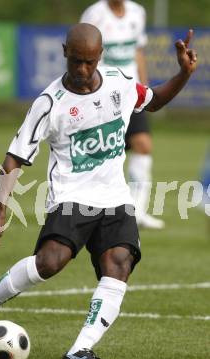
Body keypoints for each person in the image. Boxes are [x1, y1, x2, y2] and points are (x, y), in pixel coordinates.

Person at [0, 23, 197, 359]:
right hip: (71, 197)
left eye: (89, 62)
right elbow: (15, 157)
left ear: (99, 57)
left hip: (115, 199)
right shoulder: (50, 102)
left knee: (119, 264)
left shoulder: (119, 83)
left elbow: (154, 100)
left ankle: (79, 351)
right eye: (76, 61)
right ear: (64, 54)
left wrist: (183, 73)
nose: (82, 70)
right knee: (50, 262)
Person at [80, 0, 164, 229]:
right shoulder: (94, 14)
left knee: (143, 145)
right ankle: (86, 207)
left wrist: (144, 88)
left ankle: (137, 211)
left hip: (131, 91)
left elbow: (138, 52)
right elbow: (82, 55)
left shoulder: (137, 12)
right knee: (101, 153)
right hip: (104, 93)